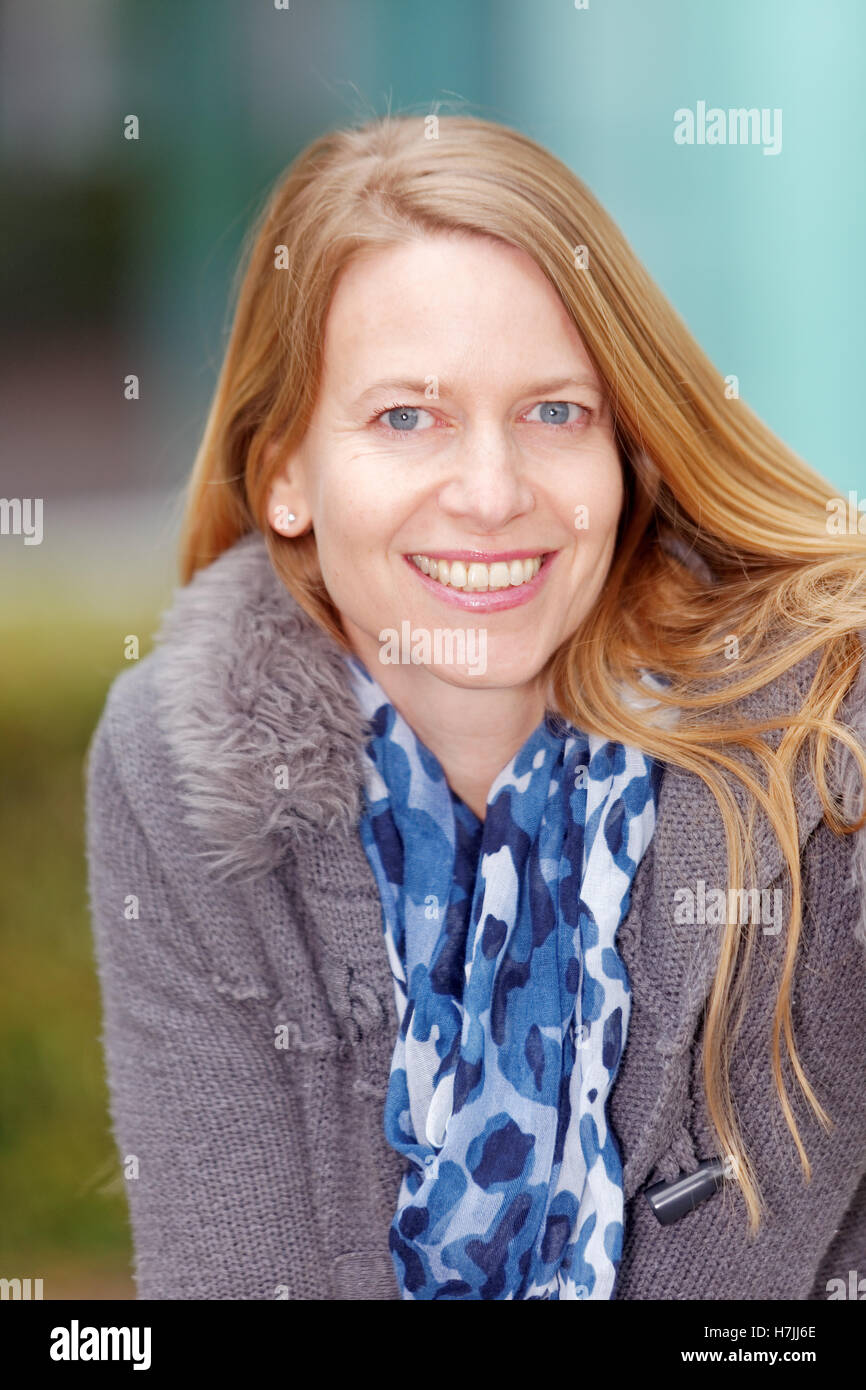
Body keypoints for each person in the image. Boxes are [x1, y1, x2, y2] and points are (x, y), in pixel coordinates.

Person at [85, 113, 866, 1300]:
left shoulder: (825, 739)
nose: (492, 494)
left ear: (627, 449)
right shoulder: (180, 764)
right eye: (407, 417)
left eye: (555, 412)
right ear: (284, 470)